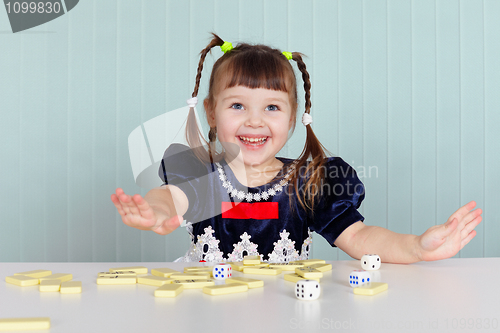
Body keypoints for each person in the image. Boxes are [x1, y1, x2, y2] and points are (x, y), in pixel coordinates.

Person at [111, 34, 482, 263]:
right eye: (237, 105)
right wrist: (154, 212)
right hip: (206, 311)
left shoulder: (312, 180)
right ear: (211, 110)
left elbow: (359, 237)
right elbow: (169, 199)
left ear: (292, 119)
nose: (254, 121)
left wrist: (418, 247)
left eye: (271, 107)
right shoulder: (201, 172)